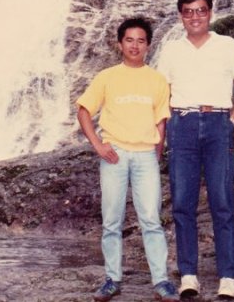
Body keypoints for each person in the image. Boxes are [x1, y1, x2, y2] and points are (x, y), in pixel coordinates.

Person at [76, 18, 178, 302]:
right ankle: (112, 279)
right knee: (111, 221)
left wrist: (156, 153)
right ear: (120, 43)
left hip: (146, 156)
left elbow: (161, 120)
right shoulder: (106, 77)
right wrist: (98, 145)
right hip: (115, 155)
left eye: (141, 40)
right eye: (129, 40)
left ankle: (161, 281)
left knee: (151, 220)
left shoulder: (157, 79)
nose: (135, 45)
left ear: (148, 45)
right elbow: (83, 111)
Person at [157, 0, 234, 300]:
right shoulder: (171, 49)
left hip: (218, 122)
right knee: (183, 203)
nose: (195, 16)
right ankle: (189, 276)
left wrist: (231, 121)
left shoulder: (228, 45)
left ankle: (227, 277)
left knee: (223, 202)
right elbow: (161, 94)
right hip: (181, 125)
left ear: (210, 12)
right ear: (181, 16)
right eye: (188, 12)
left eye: (200, 10)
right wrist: (164, 131)